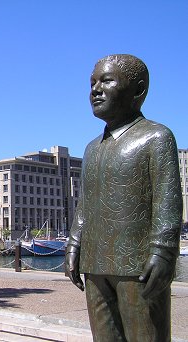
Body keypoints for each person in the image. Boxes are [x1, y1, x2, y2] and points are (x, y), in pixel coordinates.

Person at [65, 54, 182, 342]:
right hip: (94, 264)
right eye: (92, 82)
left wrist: (163, 250)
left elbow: (167, 201)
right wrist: (74, 242)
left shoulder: (156, 137)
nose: (95, 89)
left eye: (106, 81)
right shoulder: (92, 148)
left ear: (138, 90)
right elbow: (85, 203)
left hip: (138, 265)